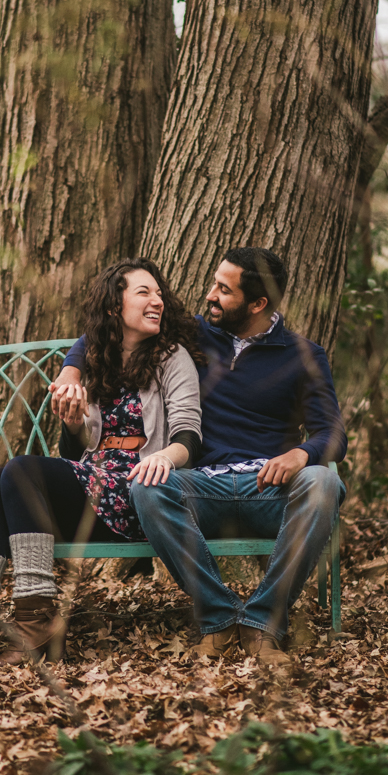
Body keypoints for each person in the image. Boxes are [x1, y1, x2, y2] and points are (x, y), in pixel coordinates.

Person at [54, 247, 347, 669]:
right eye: (214, 282)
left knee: (324, 483)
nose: (210, 295)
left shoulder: (304, 356)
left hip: (269, 488)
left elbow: (333, 432)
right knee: (147, 486)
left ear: (258, 304)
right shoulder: (193, 333)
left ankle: (265, 623)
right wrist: (71, 371)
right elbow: (107, 329)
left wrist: (301, 455)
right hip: (201, 487)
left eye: (223, 290)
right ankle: (219, 618)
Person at [0, 258, 203, 671]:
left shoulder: (172, 358)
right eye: (144, 293)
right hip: (93, 489)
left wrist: (163, 458)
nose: (157, 299)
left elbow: (189, 437)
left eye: (159, 293)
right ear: (113, 307)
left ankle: (39, 619)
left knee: (20, 470)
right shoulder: (96, 359)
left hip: (139, 491)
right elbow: (77, 457)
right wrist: (72, 424)